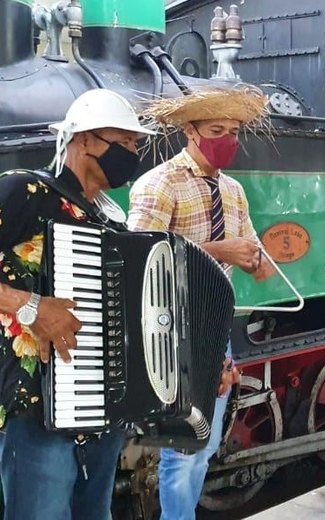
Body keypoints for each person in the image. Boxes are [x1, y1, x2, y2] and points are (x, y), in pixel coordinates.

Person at [0, 88, 153, 519]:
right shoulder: (25, 190)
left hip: (99, 406)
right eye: (125, 142)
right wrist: (31, 307)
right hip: (35, 406)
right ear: (84, 139)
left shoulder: (109, 220)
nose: (133, 153)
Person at [128, 85, 274, 520]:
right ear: (189, 131)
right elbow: (141, 262)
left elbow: (255, 260)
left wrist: (262, 259)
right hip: (171, 330)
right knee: (181, 448)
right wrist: (221, 250)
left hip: (215, 329)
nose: (227, 140)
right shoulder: (158, 184)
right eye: (216, 130)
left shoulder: (232, 191)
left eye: (233, 131)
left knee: (205, 444)